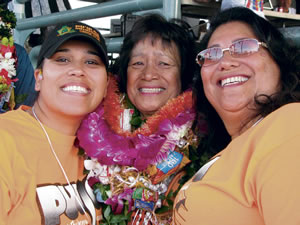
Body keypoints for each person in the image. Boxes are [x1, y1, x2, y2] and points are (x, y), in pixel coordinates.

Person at [77, 14, 212, 225]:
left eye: (164, 63)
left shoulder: (208, 138)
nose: (149, 74)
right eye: (138, 63)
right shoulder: (91, 127)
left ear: (183, 75)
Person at [173, 6, 300, 225]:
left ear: (278, 60)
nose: (225, 62)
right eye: (211, 54)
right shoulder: (237, 144)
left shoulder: (290, 125)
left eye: (243, 47)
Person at [0, 21, 109, 225]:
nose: (78, 70)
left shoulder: (109, 148)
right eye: (63, 59)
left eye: (92, 62)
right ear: (38, 77)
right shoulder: (5, 140)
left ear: (106, 85)